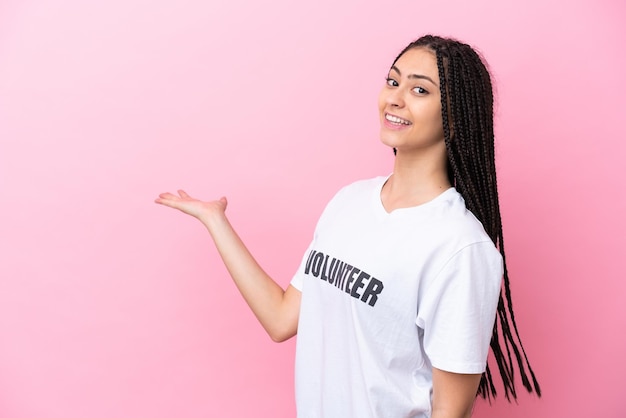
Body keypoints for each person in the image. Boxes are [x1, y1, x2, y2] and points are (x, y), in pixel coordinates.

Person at [155, 34, 541, 418]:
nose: (394, 97)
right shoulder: (349, 202)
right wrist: (215, 221)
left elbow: (450, 411)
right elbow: (280, 318)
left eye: (419, 90)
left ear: (456, 116)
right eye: (393, 81)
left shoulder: (460, 247)